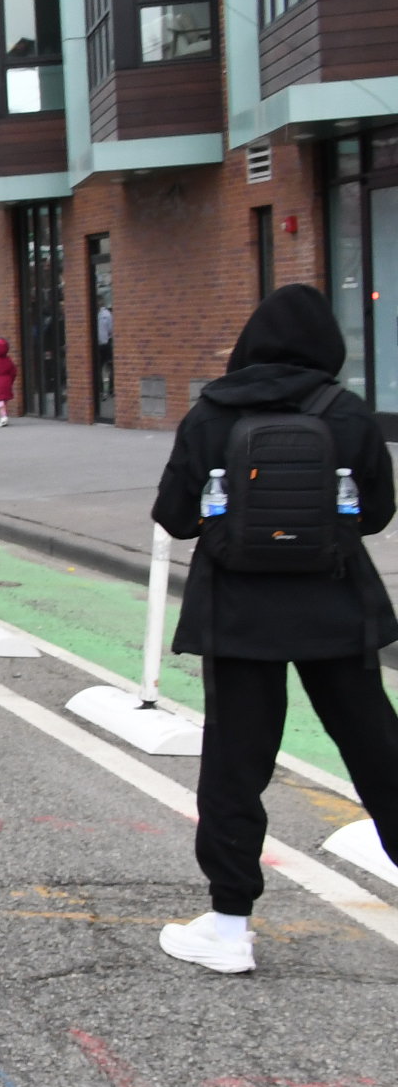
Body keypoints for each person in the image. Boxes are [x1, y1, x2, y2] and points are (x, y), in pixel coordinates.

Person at [152, 286, 398, 974]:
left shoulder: (212, 412)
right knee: (379, 754)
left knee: (235, 767)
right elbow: (376, 512)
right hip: (337, 610)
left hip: (238, 615)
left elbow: (173, 514)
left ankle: (229, 926)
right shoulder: (345, 413)